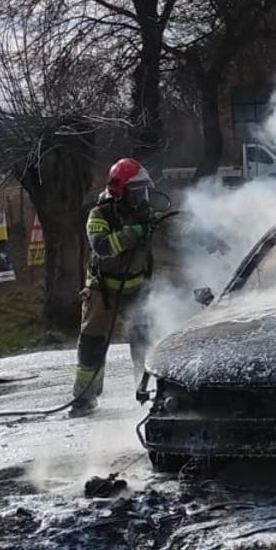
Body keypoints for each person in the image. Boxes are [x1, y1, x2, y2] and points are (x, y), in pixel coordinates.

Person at [69, 158, 159, 418]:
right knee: (92, 345)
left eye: (144, 190)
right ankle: (84, 398)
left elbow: (170, 230)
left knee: (144, 344)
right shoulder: (100, 215)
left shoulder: (143, 214)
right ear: (121, 190)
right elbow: (102, 247)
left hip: (138, 289)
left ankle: (149, 394)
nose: (142, 197)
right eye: (136, 191)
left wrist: (202, 238)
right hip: (103, 292)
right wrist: (133, 234)